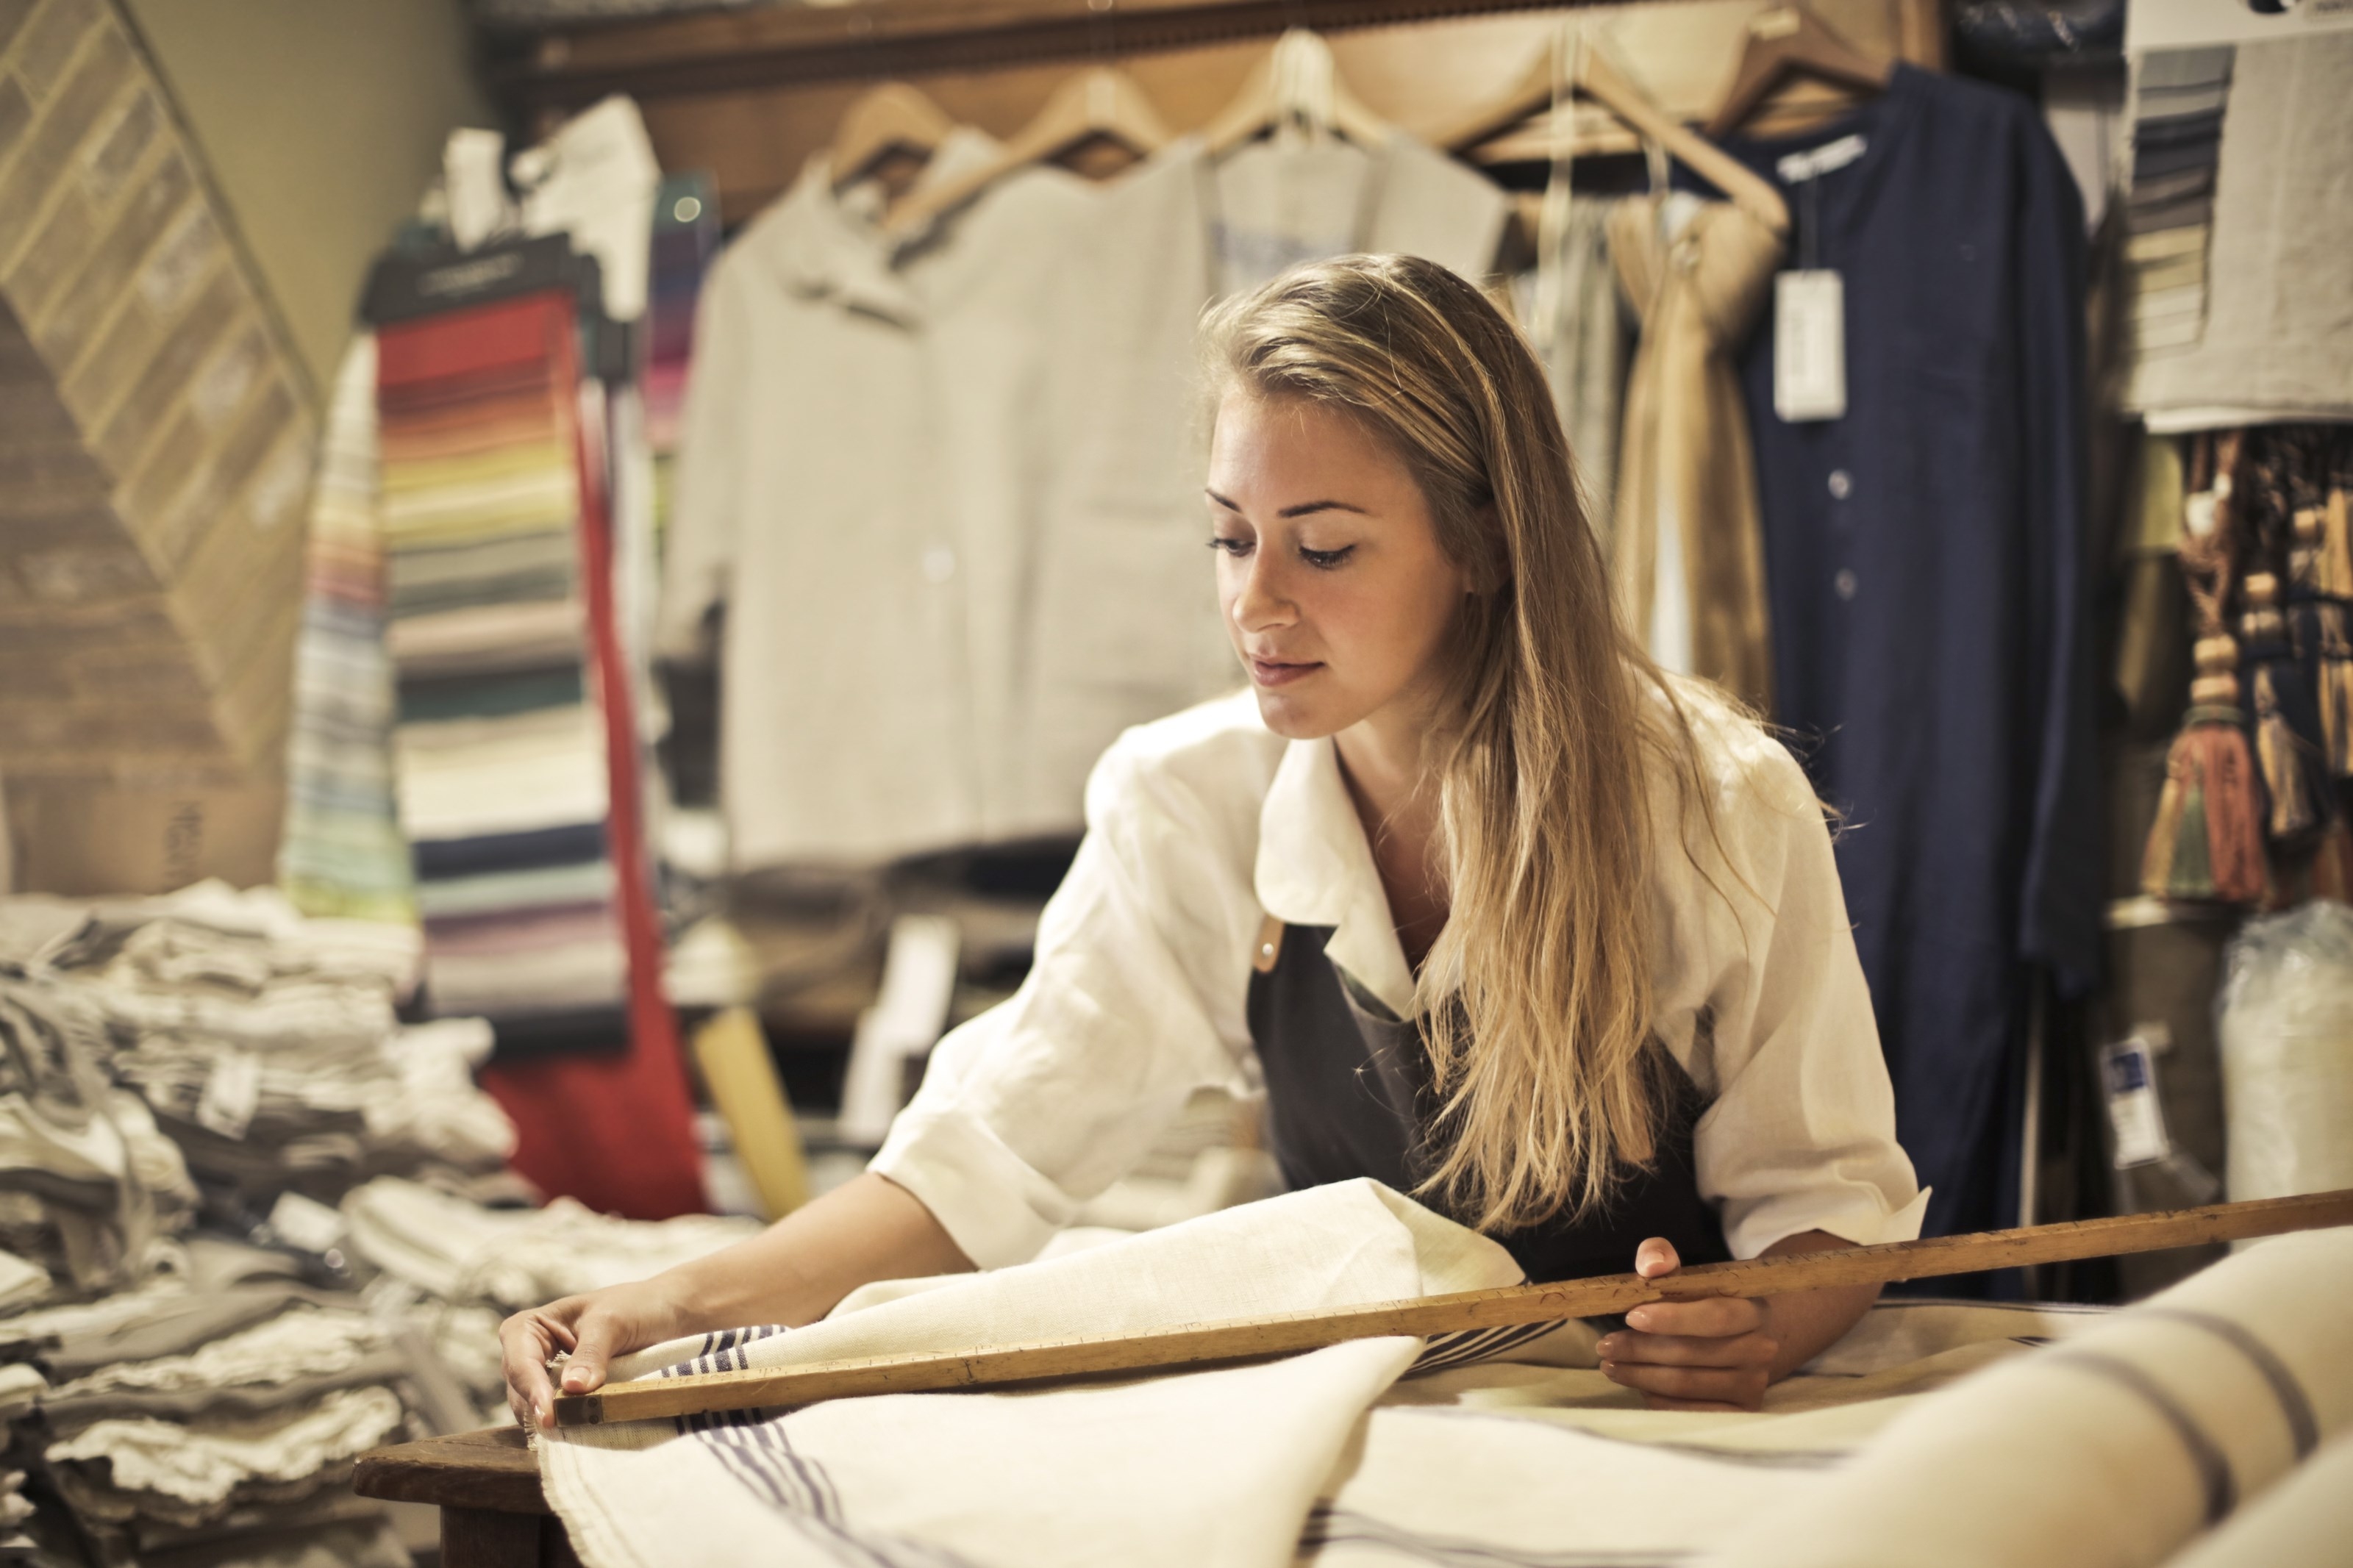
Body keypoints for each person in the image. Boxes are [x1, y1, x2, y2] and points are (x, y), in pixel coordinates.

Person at [501, 254, 1924, 1429]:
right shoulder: (1189, 800)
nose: (1256, 604)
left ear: (1484, 542)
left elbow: (1832, 1202)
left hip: (1665, 1439)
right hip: (1384, 1429)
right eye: (1233, 538)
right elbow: (981, 1164)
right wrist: (673, 1300)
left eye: (1326, 544)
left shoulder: (1712, 800)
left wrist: (1763, 1321)